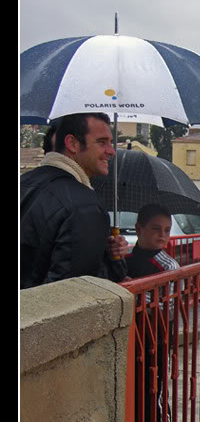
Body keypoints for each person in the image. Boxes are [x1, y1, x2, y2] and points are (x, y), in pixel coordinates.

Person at [20, 112, 128, 289]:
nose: (111, 151)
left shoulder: (24, 183)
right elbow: (72, 296)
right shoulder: (84, 206)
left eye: (111, 142)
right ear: (73, 144)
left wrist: (110, 255)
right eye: (101, 142)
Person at [126, 205, 179, 422]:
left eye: (167, 231)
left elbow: (167, 304)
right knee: (132, 396)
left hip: (153, 340)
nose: (163, 236)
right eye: (156, 229)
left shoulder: (167, 265)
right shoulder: (125, 256)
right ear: (139, 229)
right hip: (130, 339)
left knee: (152, 396)